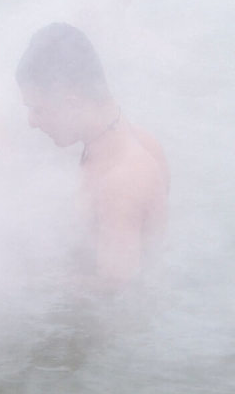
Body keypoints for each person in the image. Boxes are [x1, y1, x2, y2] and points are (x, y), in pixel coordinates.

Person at [16, 22, 168, 293]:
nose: (31, 122)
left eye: (38, 110)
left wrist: (34, 283)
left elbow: (117, 299)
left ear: (72, 103)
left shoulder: (122, 183)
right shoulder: (131, 141)